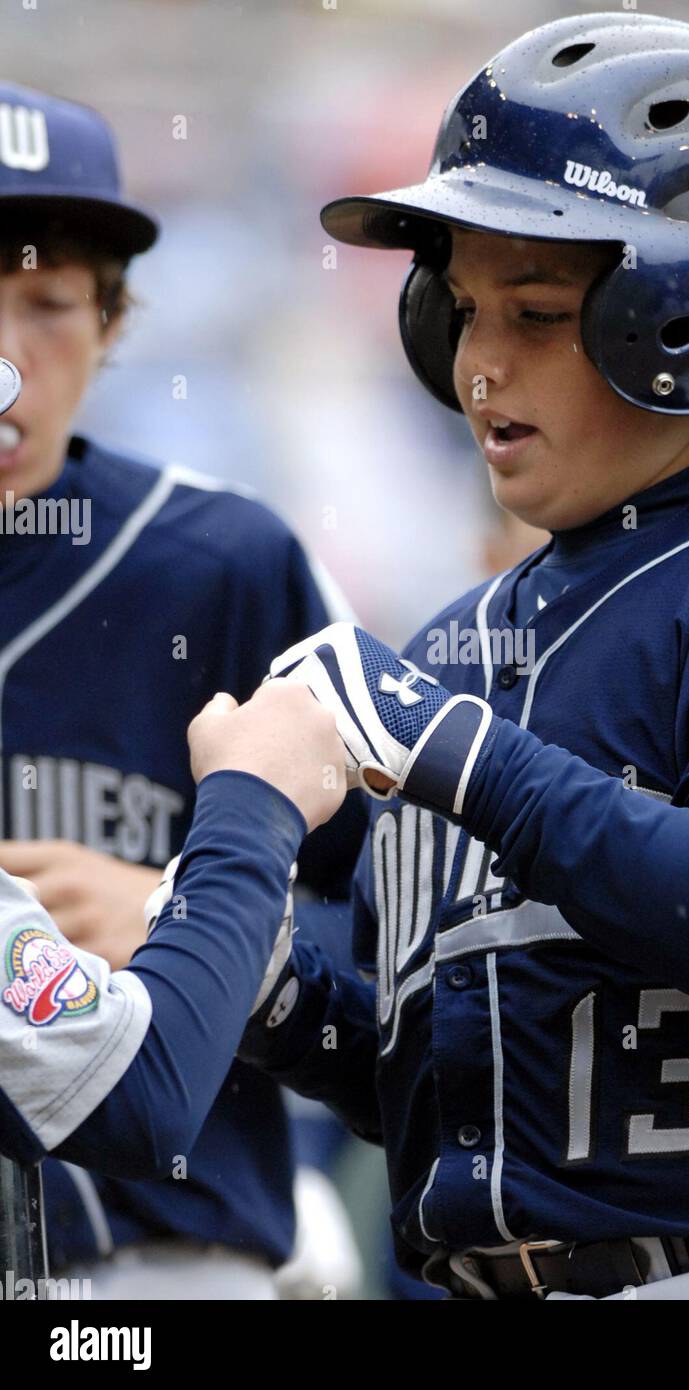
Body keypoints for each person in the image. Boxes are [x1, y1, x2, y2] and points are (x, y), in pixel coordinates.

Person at [237, 14, 689, 1300]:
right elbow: (452, 1085)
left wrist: (463, 756)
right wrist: (273, 996)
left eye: (535, 311)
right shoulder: (456, 645)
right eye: (461, 310)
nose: (477, 364)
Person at [0, 81, 364, 1298]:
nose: (5, 358)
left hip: (173, 1259)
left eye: (47, 305)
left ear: (112, 327)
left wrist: (186, 913)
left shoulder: (229, 564)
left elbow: (408, 935)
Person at [0, 681, 345, 1168]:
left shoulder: (241, 604)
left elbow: (387, 943)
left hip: (197, 1223)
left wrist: (181, 913)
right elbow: (143, 1087)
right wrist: (253, 805)